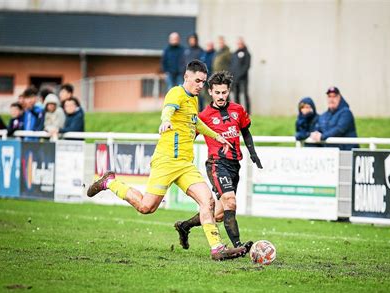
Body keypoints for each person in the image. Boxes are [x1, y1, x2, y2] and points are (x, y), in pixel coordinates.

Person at [86, 60, 247, 261]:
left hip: (185, 165)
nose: (200, 85)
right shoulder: (176, 93)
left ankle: (217, 248)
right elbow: (168, 110)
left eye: (203, 82)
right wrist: (165, 121)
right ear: (186, 77)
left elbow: (195, 122)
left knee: (208, 202)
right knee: (147, 207)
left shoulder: (194, 99)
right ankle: (109, 182)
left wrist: (217, 136)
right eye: (197, 80)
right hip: (166, 161)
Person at [174, 70, 262, 253]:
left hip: (234, 165)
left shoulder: (238, 110)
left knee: (220, 213)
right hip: (216, 164)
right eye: (217, 92)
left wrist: (253, 153)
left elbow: (245, 131)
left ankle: (185, 226)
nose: (221, 96)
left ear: (228, 91)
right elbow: (188, 136)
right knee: (230, 201)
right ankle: (238, 246)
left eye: (224, 92)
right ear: (210, 92)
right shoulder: (204, 116)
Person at [230, 37, 252, 113]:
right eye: (238, 43)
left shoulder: (247, 53)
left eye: (241, 43)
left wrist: (239, 75)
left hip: (243, 78)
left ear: (243, 43)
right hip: (235, 78)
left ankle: (248, 112)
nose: (239, 45)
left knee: (245, 94)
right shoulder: (235, 53)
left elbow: (246, 66)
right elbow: (232, 65)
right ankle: (238, 111)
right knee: (236, 94)